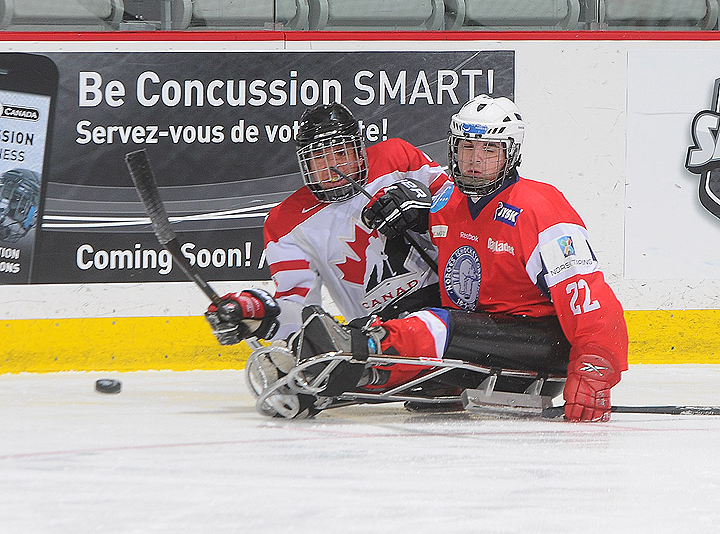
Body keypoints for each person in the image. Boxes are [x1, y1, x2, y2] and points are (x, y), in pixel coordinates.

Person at [295, 95, 629, 422]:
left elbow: (588, 297)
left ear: (510, 153)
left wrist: (595, 367)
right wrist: (412, 211)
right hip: (479, 339)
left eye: (489, 149)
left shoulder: (540, 208)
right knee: (408, 308)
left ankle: (359, 349)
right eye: (466, 146)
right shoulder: (446, 202)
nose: (474, 158)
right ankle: (350, 375)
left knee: (438, 324)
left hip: (540, 346)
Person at [204, 102, 451, 346]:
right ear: (306, 164)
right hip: (378, 335)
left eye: (342, 153)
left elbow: (464, 219)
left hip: (449, 302)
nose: (332, 166)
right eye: (319, 157)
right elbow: (299, 311)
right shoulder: (285, 223)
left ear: (359, 150)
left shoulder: (397, 159)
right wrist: (255, 310)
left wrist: (424, 212)